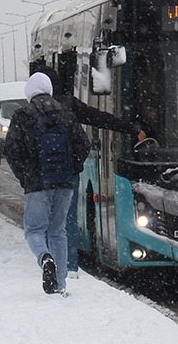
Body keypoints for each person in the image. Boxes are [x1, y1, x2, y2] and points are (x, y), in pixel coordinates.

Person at [30, 64, 144, 280]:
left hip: (39, 178)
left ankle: (47, 257)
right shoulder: (68, 106)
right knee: (67, 220)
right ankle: (69, 266)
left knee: (41, 222)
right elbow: (97, 122)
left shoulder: (27, 112)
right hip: (66, 176)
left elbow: (16, 149)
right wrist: (131, 128)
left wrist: (28, 174)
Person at [3, 72, 90, 295]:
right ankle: (60, 283)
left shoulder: (23, 116)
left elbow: (11, 150)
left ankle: (44, 258)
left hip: (37, 185)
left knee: (34, 230)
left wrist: (26, 177)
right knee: (58, 231)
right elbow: (83, 144)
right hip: (64, 184)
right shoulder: (66, 114)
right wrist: (71, 170)